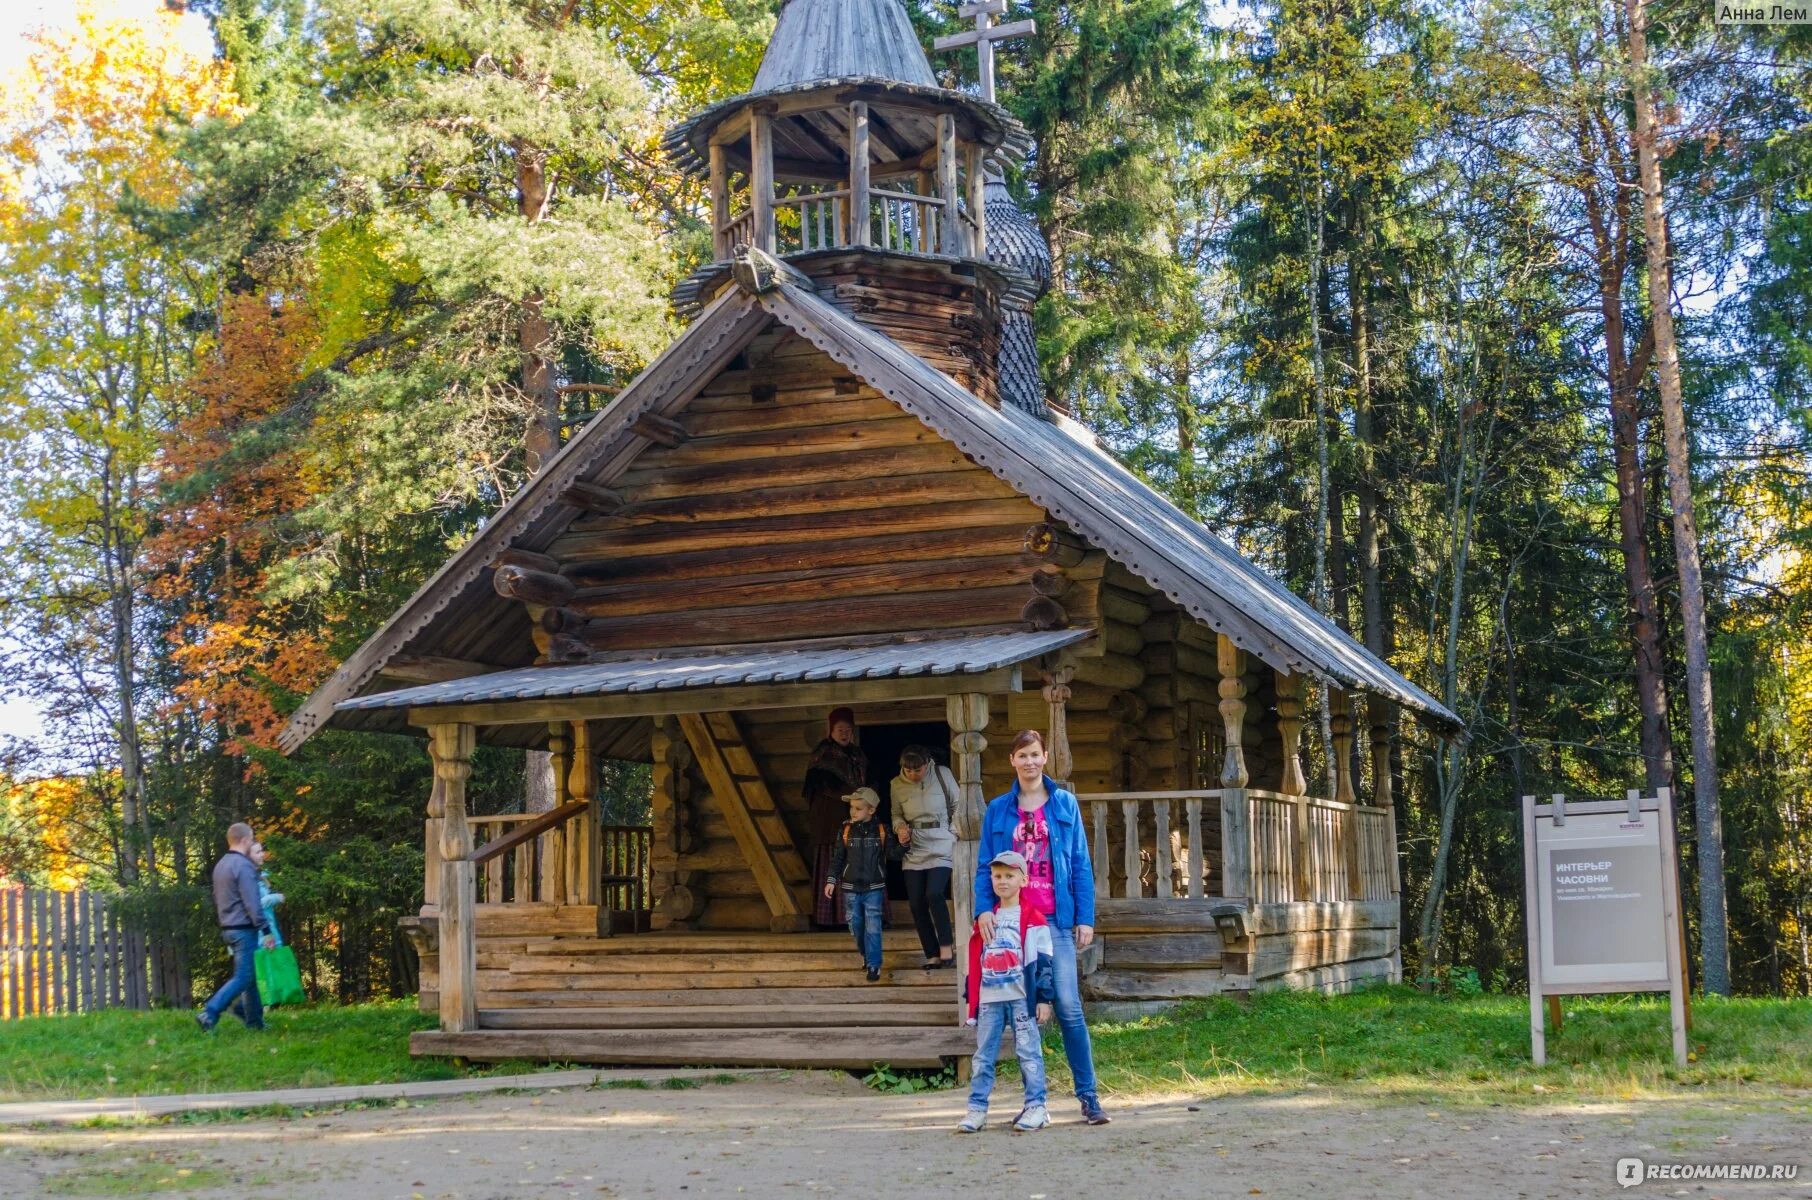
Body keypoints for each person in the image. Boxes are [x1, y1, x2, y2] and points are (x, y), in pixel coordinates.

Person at [974, 729, 1110, 1125]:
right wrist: (984, 909)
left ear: (1045, 757)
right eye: (1022, 755)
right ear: (1012, 761)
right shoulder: (998, 809)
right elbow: (986, 865)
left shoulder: (1064, 804)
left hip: (1053, 920)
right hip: (1011, 921)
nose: (1030, 762)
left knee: (1067, 1005)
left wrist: (1085, 917)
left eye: (1035, 754)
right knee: (1020, 1009)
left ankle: (1089, 1098)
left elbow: (1081, 864)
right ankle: (1035, 1101)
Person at [959, 849, 1053, 1133]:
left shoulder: (1034, 918)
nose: (1003, 881)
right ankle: (977, 1110)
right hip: (990, 999)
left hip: (1021, 997)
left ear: (1023, 880)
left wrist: (1044, 998)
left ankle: (1036, 1106)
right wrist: (970, 999)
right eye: (998, 876)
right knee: (983, 1055)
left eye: (1010, 876)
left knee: (1028, 1051)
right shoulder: (986, 919)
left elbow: (1044, 960)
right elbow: (973, 959)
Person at [197, 821, 273, 1032]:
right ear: (245, 840)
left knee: (249, 977)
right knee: (244, 977)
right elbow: (252, 902)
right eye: (251, 839)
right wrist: (265, 929)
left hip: (228, 927)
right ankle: (209, 1013)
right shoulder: (244, 866)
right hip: (243, 929)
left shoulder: (221, 864)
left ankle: (254, 1022)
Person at [891, 745, 958, 968]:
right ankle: (932, 953)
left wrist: (954, 831)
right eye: (908, 770)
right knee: (916, 903)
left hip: (941, 841)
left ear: (927, 763)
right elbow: (896, 814)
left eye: (917, 770)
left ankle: (947, 946)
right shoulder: (896, 784)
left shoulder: (942, 773)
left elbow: (959, 804)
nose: (912, 774)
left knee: (934, 893)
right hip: (914, 846)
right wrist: (900, 828)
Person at [824, 787, 900, 981]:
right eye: (851, 807)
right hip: (850, 887)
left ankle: (874, 965)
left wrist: (905, 843)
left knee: (873, 925)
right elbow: (838, 858)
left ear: (871, 810)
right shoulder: (846, 830)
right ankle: (866, 955)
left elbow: (892, 854)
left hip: (874, 887)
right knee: (856, 924)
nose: (853, 812)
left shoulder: (882, 830)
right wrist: (831, 879)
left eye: (858, 808)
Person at [804, 706, 868, 930]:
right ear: (831, 730)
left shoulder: (857, 755)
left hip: (858, 820)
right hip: (830, 822)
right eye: (840, 729)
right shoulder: (822, 755)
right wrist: (850, 795)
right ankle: (833, 918)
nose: (844, 733)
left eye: (848, 729)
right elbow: (820, 788)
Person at [250, 841, 285, 948]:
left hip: (271, 932)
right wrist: (275, 897)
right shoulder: (249, 877)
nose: (262, 854)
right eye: (258, 852)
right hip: (262, 938)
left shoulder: (262, 874)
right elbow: (255, 906)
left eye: (262, 851)